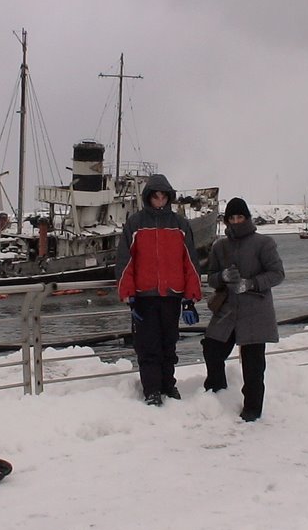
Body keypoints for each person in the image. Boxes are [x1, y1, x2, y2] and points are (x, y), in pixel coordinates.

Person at [116, 174, 203, 406]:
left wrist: (190, 296)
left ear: (169, 197)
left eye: (164, 195)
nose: (160, 199)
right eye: (156, 195)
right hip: (144, 297)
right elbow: (125, 260)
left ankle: (168, 385)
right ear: (149, 197)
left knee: (169, 343)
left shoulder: (181, 225)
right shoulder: (135, 224)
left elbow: (191, 262)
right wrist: (128, 293)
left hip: (171, 296)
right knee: (147, 346)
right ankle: (152, 390)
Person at [202, 197, 284, 421]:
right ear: (227, 220)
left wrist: (251, 283)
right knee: (212, 349)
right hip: (228, 310)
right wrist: (223, 277)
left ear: (247, 218)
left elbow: (277, 274)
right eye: (232, 218)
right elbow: (211, 279)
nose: (236, 221)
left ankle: (252, 410)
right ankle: (218, 395)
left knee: (253, 365)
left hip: (255, 311)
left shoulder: (263, 243)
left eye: (240, 217)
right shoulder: (220, 246)